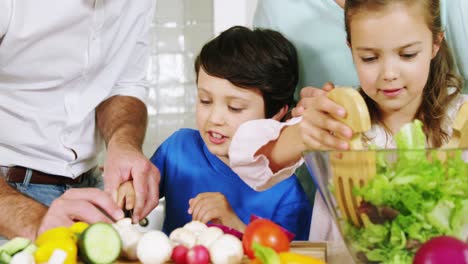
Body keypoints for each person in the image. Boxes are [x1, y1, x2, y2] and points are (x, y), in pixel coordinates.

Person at [230, 0, 467, 243]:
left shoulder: (461, 120)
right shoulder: (336, 120)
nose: (389, 73)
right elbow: (245, 159)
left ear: (435, 44)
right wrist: (303, 134)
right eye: (369, 58)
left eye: (407, 54)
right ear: (350, 49)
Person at [0, 1, 160, 239]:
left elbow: (123, 83)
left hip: (89, 190)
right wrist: (35, 220)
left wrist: (123, 142)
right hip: (8, 200)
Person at [148, 26, 312, 239]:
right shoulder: (178, 149)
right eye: (205, 100)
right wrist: (130, 190)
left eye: (234, 107)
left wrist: (234, 225)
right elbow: (140, 191)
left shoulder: (287, 195)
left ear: (276, 114)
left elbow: (290, 258)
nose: (214, 118)